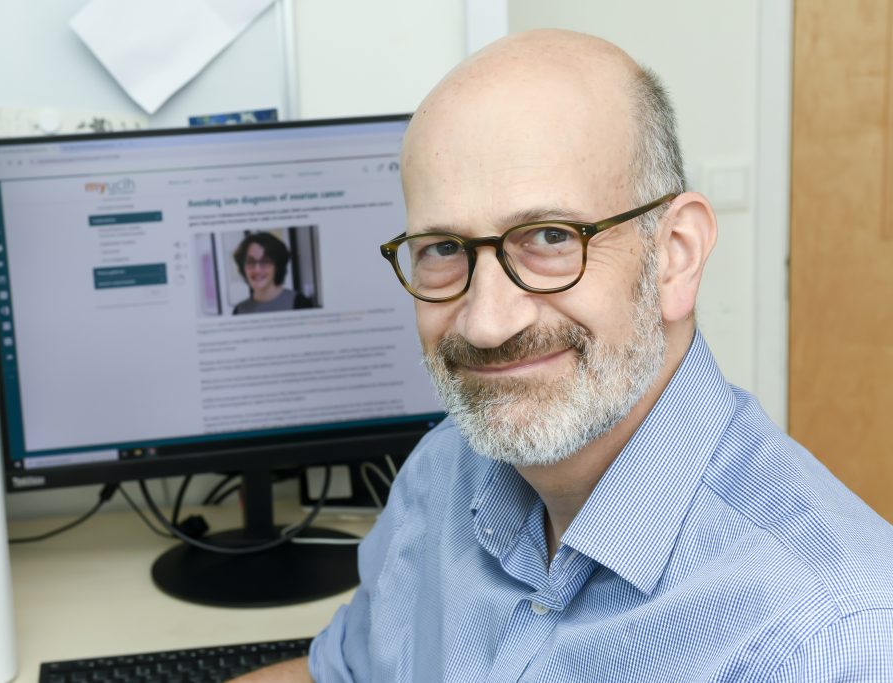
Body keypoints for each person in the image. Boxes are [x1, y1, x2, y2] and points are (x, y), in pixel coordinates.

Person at [233, 29, 893, 682]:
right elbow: (338, 673)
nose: (488, 323)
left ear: (675, 255)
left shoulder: (831, 638)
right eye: (440, 248)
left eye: (550, 236)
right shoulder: (441, 471)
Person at [232, 231, 314, 314]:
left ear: (277, 266)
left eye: (265, 262)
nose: (257, 269)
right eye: (251, 262)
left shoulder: (301, 304)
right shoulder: (238, 311)